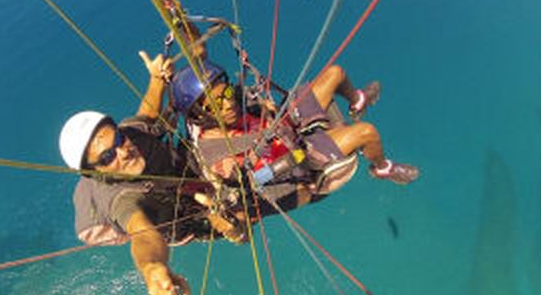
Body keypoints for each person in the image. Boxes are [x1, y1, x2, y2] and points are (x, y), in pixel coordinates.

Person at [59, 51, 216, 295]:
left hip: (191, 170)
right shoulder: (120, 200)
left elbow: (146, 115)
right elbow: (141, 233)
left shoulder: (130, 135)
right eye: (108, 156)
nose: (123, 150)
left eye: (119, 139)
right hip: (195, 215)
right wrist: (152, 268)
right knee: (239, 219)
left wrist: (156, 79)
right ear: (95, 172)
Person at [171, 60, 419, 212]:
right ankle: (382, 168)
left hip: (288, 123)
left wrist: (265, 111)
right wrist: (293, 165)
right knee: (367, 133)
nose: (229, 104)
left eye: (226, 93)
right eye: (217, 103)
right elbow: (254, 181)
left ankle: (358, 101)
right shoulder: (221, 158)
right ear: (201, 115)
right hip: (303, 155)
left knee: (336, 73)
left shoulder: (227, 116)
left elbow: (200, 63)